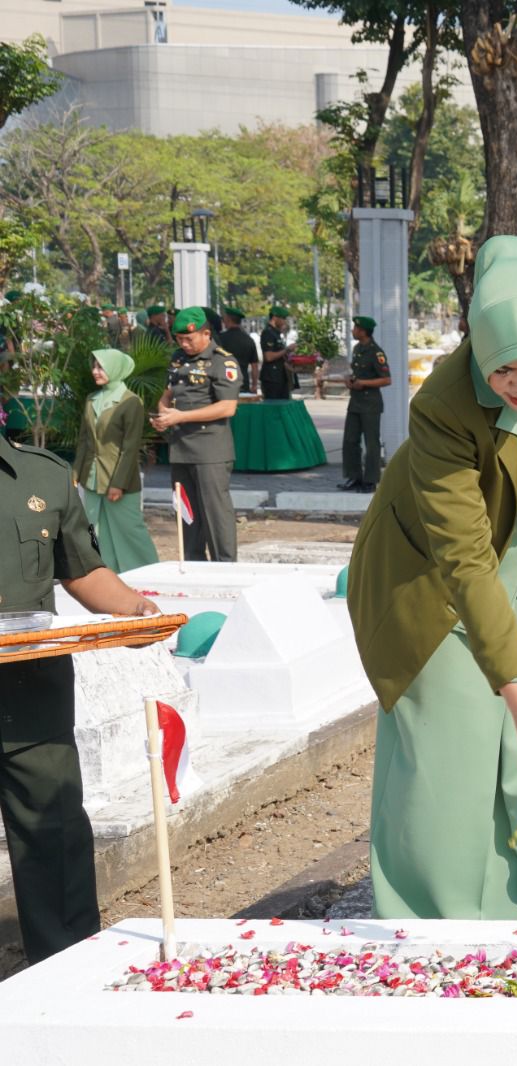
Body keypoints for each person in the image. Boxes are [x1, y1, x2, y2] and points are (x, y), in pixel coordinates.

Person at [347, 235, 517, 921]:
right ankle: (440, 920)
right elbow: (466, 560)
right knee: (457, 737)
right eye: (506, 372)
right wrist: (516, 689)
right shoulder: (442, 404)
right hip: (434, 575)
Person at [1, 431, 159, 962]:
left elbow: (83, 570)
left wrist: (134, 610)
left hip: (29, 695)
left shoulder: (42, 474)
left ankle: (67, 967)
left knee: (55, 835)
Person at [151, 307, 241, 562]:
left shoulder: (223, 361)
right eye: (180, 339)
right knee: (186, 513)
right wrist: (163, 415)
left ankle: (225, 566)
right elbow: (167, 395)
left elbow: (227, 407)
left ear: (206, 334)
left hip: (210, 450)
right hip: (181, 448)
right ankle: (192, 562)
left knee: (215, 513)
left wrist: (180, 417)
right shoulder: (178, 359)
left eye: (189, 339)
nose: (184, 344)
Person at [72, 348, 159, 572]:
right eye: (94, 366)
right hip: (92, 477)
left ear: (115, 368)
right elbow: (84, 440)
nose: (95, 371)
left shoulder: (131, 402)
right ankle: (105, 574)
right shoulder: (92, 399)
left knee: (129, 529)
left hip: (119, 480)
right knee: (95, 528)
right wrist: (75, 474)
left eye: (101, 366)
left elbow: (130, 448)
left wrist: (117, 483)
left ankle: (147, 572)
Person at [338, 315, 390, 493]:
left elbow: (386, 379)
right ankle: (354, 477)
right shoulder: (359, 348)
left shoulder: (376, 352)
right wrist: (350, 380)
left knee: (371, 443)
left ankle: (370, 480)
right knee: (350, 440)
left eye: (355, 328)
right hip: (356, 402)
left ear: (363, 331)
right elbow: (357, 373)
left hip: (370, 403)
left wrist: (364, 384)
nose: (353, 331)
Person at [215, 307, 260, 393]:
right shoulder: (248, 340)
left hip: (223, 383)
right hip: (243, 382)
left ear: (228, 319)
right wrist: (254, 385)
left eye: (224, 318)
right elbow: (255, 366)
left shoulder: (220, 339)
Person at [258, 305, 295, 400]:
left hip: (281, 377)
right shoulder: (268, 333)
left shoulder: (277, 334)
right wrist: (286, 349)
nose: (284, 322)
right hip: (271, 378)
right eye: (283, 318)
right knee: (273, 408)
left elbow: (281, 355)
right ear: (274, 318)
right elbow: (268, 356)